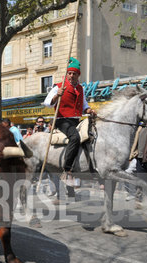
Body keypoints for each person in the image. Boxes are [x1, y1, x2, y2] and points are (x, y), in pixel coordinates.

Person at [44, 57, 96, 186]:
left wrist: (89, 110)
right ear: (66, 74)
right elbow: (47, 103)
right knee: (75, 137)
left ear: (78, 75)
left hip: (76, 120)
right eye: (70, 73)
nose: (72, 75)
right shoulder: (58, 87)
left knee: (92, 135)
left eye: (74, 74)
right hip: (62, 121)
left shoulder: (80, 88)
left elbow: (84, 105)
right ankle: (67, 170)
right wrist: (57, 95)